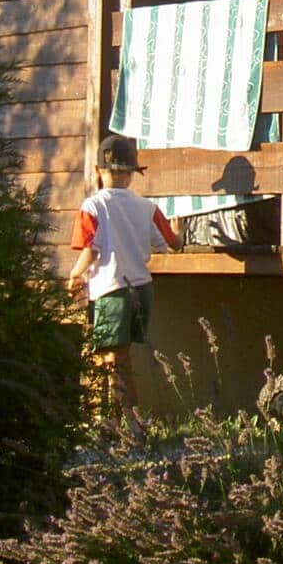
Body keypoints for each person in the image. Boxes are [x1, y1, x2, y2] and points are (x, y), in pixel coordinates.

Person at [66, 133, 182, 422]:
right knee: (115, 358)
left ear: (97, 172)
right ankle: (113, 424)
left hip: (111, 289)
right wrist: (178, 230)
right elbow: (171, 243)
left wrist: (75, 274)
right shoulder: (148, 208)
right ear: (132, 174)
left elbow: (91, 249)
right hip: (141, 290)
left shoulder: (92, 206)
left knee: (115, 362)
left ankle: (131, 426)